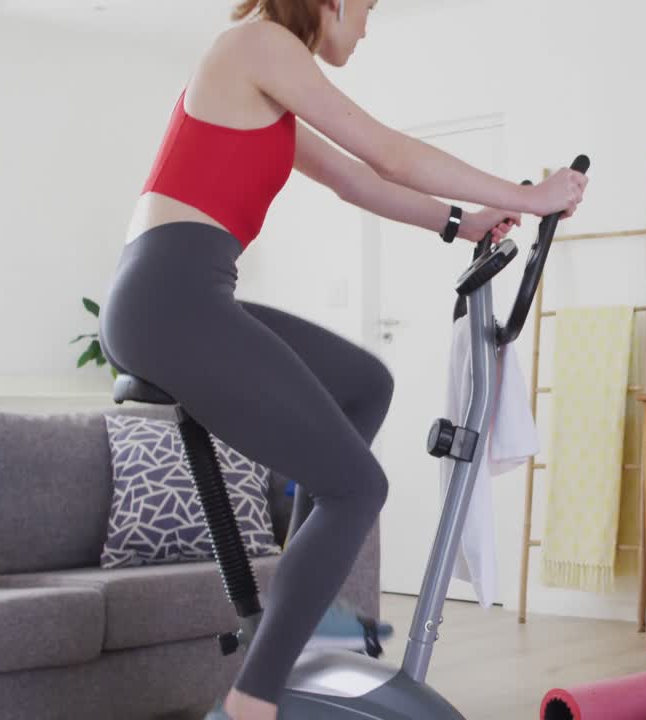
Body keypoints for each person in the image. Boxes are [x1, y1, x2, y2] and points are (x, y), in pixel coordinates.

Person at [97, 1, 587, 719]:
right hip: (170, 299)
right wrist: (528, 197)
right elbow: (387, 150)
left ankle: (306, 606)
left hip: (183, 293)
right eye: (365, 10)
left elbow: (358, 179)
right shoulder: (257, 45)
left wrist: (463, 222)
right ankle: (251, 705)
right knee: (357, 489)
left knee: (365, 385)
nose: (364, 28)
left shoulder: (268, 86)